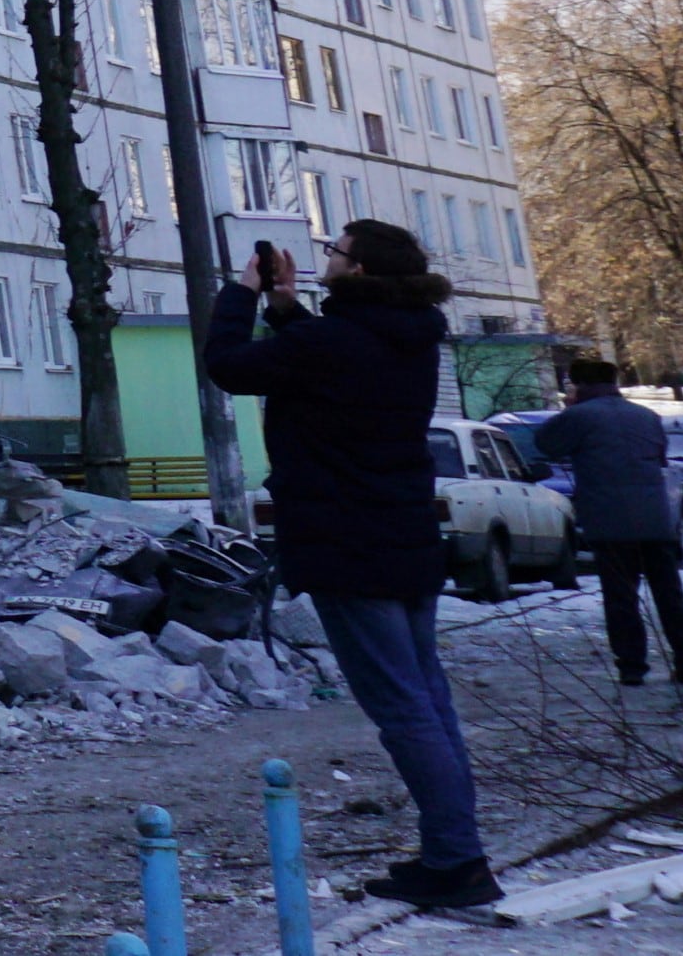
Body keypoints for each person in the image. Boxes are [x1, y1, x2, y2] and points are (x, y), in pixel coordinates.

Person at [207, 220, 494, 912]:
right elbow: (326, 361)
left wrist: (242, 295)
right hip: (403, 536)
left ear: (358, 270)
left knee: (402, 707)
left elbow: (229, 365)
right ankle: (456, 849)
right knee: (428, 699)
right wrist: (284, 306)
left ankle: (456, 861)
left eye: (333, 250)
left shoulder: (336, 340)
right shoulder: (407, 335)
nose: (324, 257)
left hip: (346, 542)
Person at [537, 355, 683, 686]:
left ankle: (632, 666)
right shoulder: (647, 416)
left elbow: (546, 444)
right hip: (656, 518)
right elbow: (659, 456)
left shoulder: (579, 416)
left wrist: (568, 409)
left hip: (609, 519)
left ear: (578, 385)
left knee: (621, 596)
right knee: (669, 595)